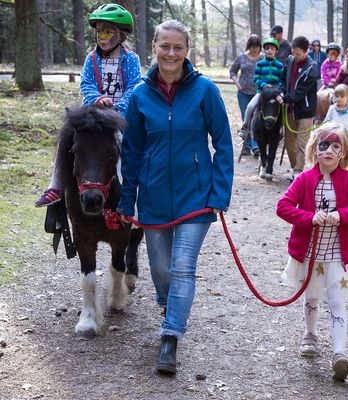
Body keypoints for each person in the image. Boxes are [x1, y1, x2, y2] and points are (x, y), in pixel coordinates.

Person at [116, 20, 234, 375]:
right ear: (154, 47)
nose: (171, 53)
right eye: (165, 46)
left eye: (178, 47)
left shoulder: (205, 91)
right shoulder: (139, 95)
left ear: (187, 50)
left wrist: (219, 193)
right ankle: (172, 305)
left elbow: (224, 144)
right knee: (160, 269)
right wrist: (126, 201)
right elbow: (132, 153)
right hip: (152, 199)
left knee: (183, 266)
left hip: (195, 197)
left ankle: (170, 336)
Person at [276, 123, 348, 381]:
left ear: (343, 152)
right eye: (324, 145)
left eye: (336, 146)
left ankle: (339, 353)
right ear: (314, 149)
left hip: (337, 256)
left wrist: (341, 215)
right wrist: (308, 218)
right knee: (311, 297)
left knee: (336, 300)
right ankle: (310, 334)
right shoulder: (305, 179)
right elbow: (283, 207)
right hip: (310, 254)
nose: (330, 150)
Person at [35, 3, 141, 207]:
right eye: (99, 31)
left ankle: (130, 197)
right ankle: (56, 187)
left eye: (107, 31)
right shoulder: (91, 58)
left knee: (127, 146)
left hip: (120, 114)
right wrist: (96, 99)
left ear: (122, 35)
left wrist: (119, 106)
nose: (101, 36)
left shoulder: (131, 60)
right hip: (93, 112)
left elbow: (134, 86)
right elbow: (86, 83)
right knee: (66, 140)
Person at [276, 36, 318, 182]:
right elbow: (282, 80)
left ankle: (298, 172)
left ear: (306, 51)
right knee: (289, 143)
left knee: (302, 143)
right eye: (294, 53)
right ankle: (295, 166)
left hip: (305, 111)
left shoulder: (312, 68)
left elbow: (300, 93)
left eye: (298, 54)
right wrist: (281, 91)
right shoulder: (289, 61)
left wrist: (285, 98)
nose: (295, 56)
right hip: (290, 109)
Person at [236, 38, 285, 141]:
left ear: (276, 51)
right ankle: (244, 127)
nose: (269, 51)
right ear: (264, 51)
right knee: (250, 106)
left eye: (272, 49)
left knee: (284, 106)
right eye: (267, 49)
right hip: (262, 92)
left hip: (276, 93)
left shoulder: (280, 66)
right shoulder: (260, 64)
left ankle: (283, 129)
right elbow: (256, 78)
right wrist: (263, 85)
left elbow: (282, 80)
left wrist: (277, 89)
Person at [230, 34, 264, 156]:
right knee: (246, 118)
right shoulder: (242, 58)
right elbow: (233, 71)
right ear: (248, 46)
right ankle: (247, 144)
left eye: (257, 46)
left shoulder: (263, 59)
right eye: (252, 46)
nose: (254, 49)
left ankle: (255, 145)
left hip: (258, 93)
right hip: (243, 93)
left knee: (256, 119)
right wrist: (237, 83)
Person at [322, 84, 348, 171]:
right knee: (334, 154)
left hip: (347, 136)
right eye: (337, 96)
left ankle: (344, 172)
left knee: (346, 155)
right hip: (333, 136)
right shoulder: (332, 108)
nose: (339, 98)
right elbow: (326, 121)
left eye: (342, 96)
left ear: (347, 97)